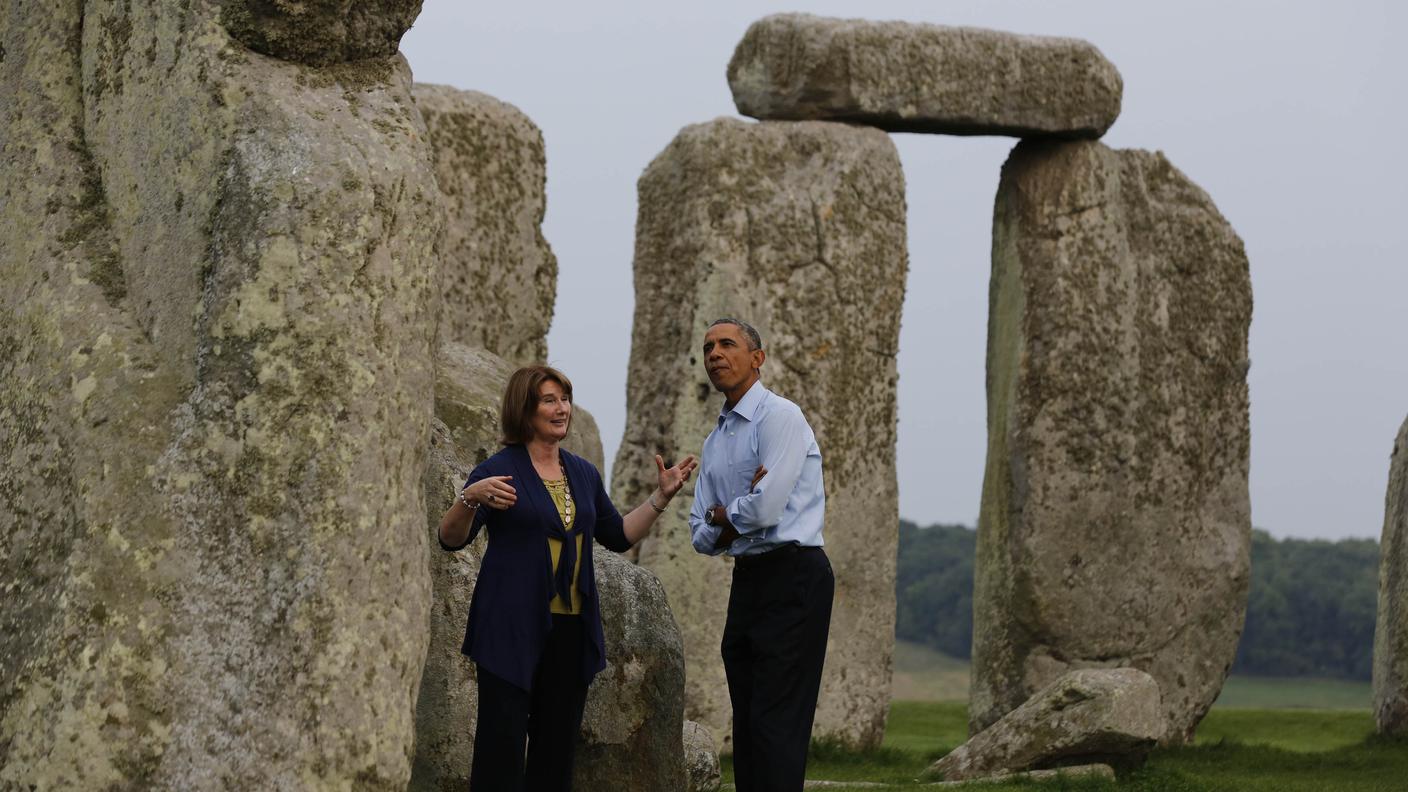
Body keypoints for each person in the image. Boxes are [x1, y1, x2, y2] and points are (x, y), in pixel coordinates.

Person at [438, 365, 696, 792]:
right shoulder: (498, 469)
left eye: (565, 399)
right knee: (500, 749)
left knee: (556, 753)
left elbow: (617, 535)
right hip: (510, 627)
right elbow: (451, 539)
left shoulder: (582, 473)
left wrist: (660, 497)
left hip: (571, 628)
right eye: (549, 400)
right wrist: (470, 497)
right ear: (525, 409)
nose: (562, 409)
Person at [687, 318, 833, 792]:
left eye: (727, 344)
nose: (714, 354)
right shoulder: (715, 442)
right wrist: (734, 514)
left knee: (776, 720)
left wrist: (725, 515)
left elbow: (767, 509)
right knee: (748, 719)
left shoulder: (781, 418)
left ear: (757, 358)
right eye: (708, 347)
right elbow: (699, 535)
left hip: (794, 574)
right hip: (749, 577)